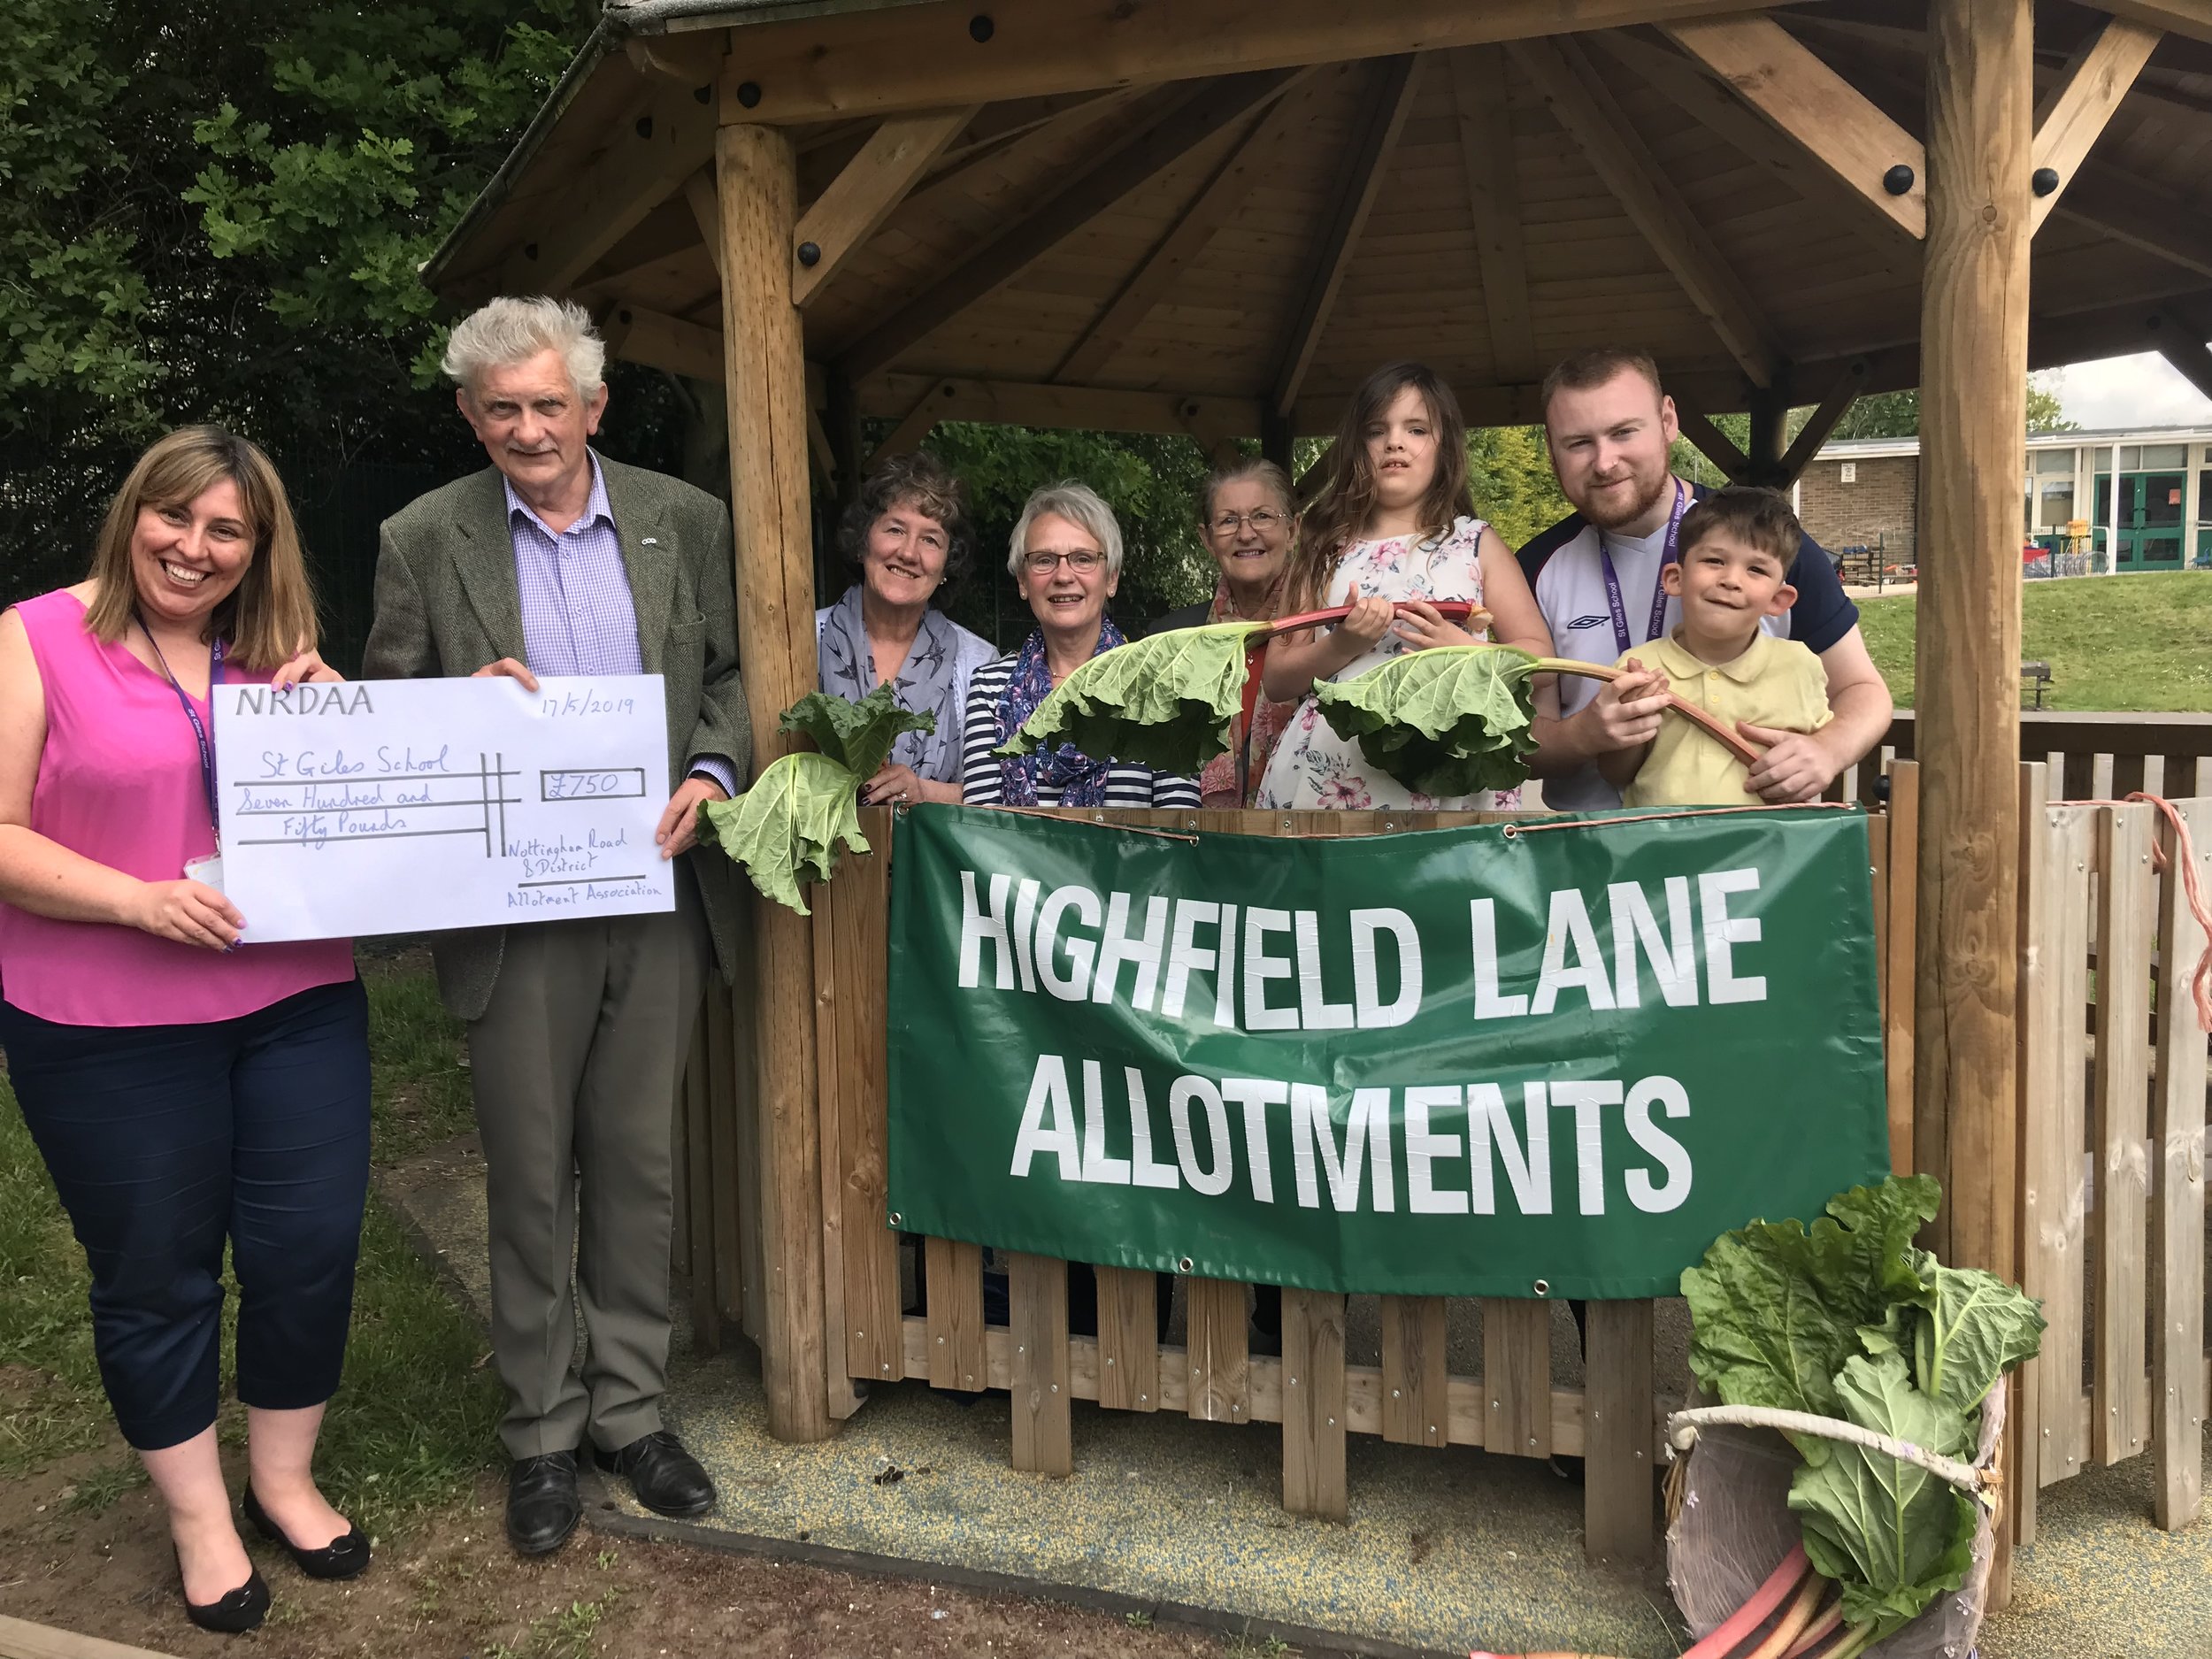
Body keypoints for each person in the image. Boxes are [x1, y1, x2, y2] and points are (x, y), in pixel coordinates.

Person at [361, 297, 747, 1556]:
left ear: (593, 405)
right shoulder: (423, 538)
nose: (529, 428)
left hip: (654, 883)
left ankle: (630, 1410)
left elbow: (740, 674)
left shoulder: (685, 520)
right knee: (531, 1174)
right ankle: (540, 1426)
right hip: (515, 907)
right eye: (501, 407)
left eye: (548, 403)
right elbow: (384, 714)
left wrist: (712, 769)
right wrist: (449, 710)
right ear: (472, 417)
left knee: (637, 1163)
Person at [0, 427, 371, 1633]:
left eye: (226, 530)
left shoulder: (279, 661)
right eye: (175, 518)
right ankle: (200, 1515)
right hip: (107, 1016)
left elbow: (373, 831)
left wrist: (348, 727)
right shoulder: (38, 634)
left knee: (307, 1246)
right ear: (132, 513)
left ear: (256, 549)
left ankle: (281, 1477)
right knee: (157, 1271)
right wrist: (136, 897)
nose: (194, 547)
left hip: (298, 1002)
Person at [1518, 348, 1892, 810]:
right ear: (1552, 449)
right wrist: (1583, 735)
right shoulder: (1533, 567)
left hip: (1758, 859)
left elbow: (1864, 691)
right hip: (1593, 858)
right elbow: (1524, 745)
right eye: (1578, 443)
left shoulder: (1765, 548)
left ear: (1668, 420)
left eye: (1623, 432)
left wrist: (1827, 750)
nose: (1604, 461)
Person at [1255, 362, 1556, 810]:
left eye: (1416, 429)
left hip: (1452, 769)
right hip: (1333, 774)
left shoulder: (1477, 542)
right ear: (1356, 447)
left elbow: (1546, 664)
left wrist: (1468, 652)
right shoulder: (1323, 548)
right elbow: (1276, 679)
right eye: (1377, 430)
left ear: (1445, 447)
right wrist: (1342, 645)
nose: (1394, 441)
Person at [961, 481, 1201, 810]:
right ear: (1022, 581)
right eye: (1044, 560)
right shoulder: (989, 689)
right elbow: (979, 829)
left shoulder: (1164, 685)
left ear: (1111, 579)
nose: (1063, 575)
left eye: (1083, 559)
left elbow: (1181, 824)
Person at [1595, 488, 1834, 806]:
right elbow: (1615, 774)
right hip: (1657, 849)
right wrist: (1633, 724)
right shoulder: (1637, 665)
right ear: (1675, 579)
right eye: (1714, 560)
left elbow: (1819, 755)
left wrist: (1821, 754)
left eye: (1756, 569)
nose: (1731, 579)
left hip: (1768, 850)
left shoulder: (1800, 666)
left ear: (1779, 600)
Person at [816, 450, 995, 806]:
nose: (909, 553)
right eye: (895, 529)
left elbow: (995, 797)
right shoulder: (803, 640)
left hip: (933, 859)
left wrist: (923, 792)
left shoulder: (979, 663)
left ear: (947, 565)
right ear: (862, 543)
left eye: (930, 539)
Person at [1147, 458, 1299, 808]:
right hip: (1199, 847)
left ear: (1293, 531)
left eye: (1262, 516)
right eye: (1229, 521)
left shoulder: (1326, 636)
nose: (1246, 534)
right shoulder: (1171, 638)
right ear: (1207, 538)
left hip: (1307, 844)